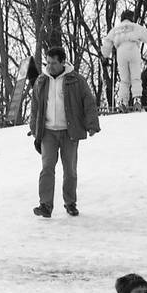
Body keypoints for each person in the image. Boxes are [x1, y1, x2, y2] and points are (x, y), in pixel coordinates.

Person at [29, 45, 100, 218]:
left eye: (53, 63)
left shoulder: (76, 80)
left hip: (70, 131)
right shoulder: (41, 80)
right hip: (48, 132)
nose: (50, 66)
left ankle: (70, 203)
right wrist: (34, 128)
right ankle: (45, 205)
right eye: (48, 62)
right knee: (47, 168)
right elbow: (35, 105)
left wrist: (92, 124)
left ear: (63, 62)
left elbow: (88, 101)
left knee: (70, 170)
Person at [101, 10, 147, 110]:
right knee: (135, 77)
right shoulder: (135, 27)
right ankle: (137, 99)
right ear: (131, 18)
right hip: (133, 49)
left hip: (121, 52)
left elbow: (107, 42)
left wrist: (105, 56)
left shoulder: (115, 29)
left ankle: (123, 101)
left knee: (124, 79)